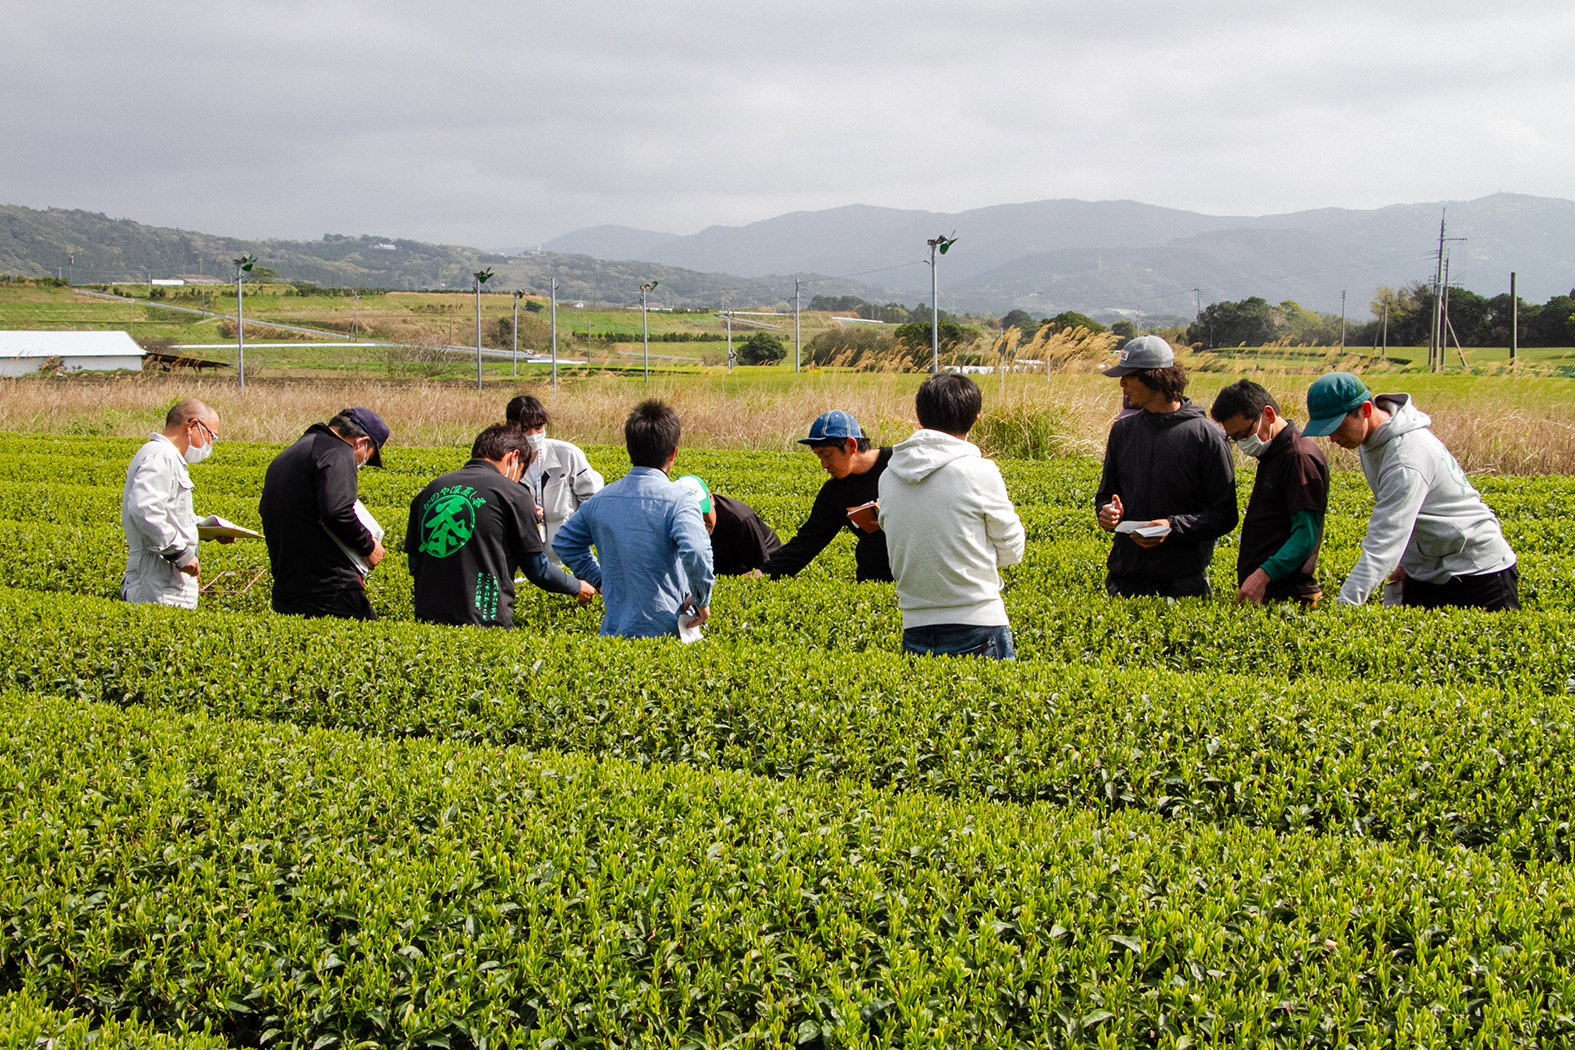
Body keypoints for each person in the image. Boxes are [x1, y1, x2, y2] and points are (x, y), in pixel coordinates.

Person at [1303, 372, 1519, 610]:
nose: (1333, 438)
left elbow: (1385, 539)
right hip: (1430, 570)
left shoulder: (1405, 458)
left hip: (1478, 571)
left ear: (1365, 409)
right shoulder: (1370, 439)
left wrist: (1345, 605)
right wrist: (1408, 562)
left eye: (1337, 427)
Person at [878, 374, 1025, 659]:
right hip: (979, 624)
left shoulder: (889, 476)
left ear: (919, 416)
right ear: (975, 419)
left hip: (915, 626)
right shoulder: (979, 472)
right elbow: (1013, 550)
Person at [552, 400, 714, 639]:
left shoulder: (601, 500)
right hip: (668, 631)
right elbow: (697, 551)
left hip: (614, 634)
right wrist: (702, 599)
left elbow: (564, 542)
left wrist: (599, 580)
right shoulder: (680, 500)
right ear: (674, 452)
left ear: (629, 448)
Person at [407, 425, 595, 627]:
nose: (518, 479)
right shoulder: (513, 494)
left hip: (428, 622)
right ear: (513, 458)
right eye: (521, 472)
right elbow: (538, 570)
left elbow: (415, 562)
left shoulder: (430, 491)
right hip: (484, 621)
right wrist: (576, 586)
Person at [1095, 336, 1237, 597]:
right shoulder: (1123, 431)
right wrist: (1106, 512)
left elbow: (1224, 515)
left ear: (1156, 376)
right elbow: (1106, 492)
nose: (1122, 383)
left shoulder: (1206, 437)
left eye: (1129, 376)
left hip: (1182, 582)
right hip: (1125, 576)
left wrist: (1171, 527)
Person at [259, 407, 390, 620]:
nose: (360, 464)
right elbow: (336, 511)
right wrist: (368, 545)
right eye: (367, 457)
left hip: (287, 588)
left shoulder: (289, 455)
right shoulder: (337, 452)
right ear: (361, 442)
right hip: (330, 589)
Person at [1210, 379, 1329, 605]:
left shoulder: (1298, 457)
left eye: (1245, 434)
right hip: (1269, 592)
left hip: (1289, 595)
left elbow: (1305, 536)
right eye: (1235, 439)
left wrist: (1263, 575)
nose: (1243, 444)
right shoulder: (1273, 453)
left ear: (1268, 415)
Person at [760, 410, 893, 582]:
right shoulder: (835, 492)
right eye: (819, 456)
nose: (823, 464)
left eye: (827, 454)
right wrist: (764, 572)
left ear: (851, 445)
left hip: (917, 575)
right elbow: (808, 541)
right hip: (873, 578)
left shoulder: (897, 464)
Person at [119, 397, 222, 609]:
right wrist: (179, 552)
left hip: (165, 579)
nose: (209, 445)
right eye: (210, 436)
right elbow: (144, 509)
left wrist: (210, 528)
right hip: (156, 579)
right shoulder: (160, 455)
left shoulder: (168, 457)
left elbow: (172, 515)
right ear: (193, 426)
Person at [505, 394, 604, 570]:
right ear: (511, 428)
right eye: (526, 430)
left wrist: (576, 534)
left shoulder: (567, 454)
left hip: (566, 558)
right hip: (521, 561)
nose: (533, 435)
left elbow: (594, 499)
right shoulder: (505, 461)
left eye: (538, 427)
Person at [674, 474, 784, 575]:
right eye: (692, 516)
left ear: (711, 498)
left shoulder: (740, 519)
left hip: (759, 562)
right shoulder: (673, 522)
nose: (701, 521)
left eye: (703, 512)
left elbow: (763, 568)